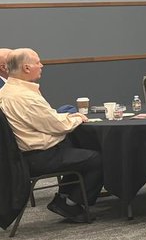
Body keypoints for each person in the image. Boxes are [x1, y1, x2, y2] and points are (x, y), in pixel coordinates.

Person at [0, 48, 101, 222]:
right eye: (38, 62)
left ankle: (63, 198)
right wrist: (77, 118)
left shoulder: (7, 92)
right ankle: (71, 204)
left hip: (22, 157)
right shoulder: (25, 97)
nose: (42, 65)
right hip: (39, 156)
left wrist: (68, 117)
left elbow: (45, 120)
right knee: (97, 159)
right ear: (26, 67)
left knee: (77, 150)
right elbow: (57, 126)